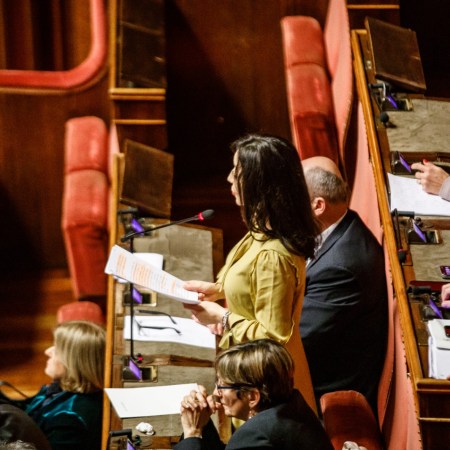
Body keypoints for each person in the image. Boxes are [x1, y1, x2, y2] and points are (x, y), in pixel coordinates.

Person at [182, 134, 320, 412]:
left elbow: (273, 337)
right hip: (246, 372)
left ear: (260, 183)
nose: (229, 178)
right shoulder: (262, 227)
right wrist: (218, 289)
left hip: (268, 391)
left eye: (237, 173)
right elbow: (249, 279)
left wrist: (222, 317)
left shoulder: (274, 255)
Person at [300, 156, 388, 416]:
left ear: (318, 205)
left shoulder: (341, 267)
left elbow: (294, 340)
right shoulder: (337, 226)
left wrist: (228, 320)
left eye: (293, 195)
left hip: (323, 393)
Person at [174, 339, 333, 450]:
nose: (216, 392)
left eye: (222, 386)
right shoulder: (294, 405)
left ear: (252, 397)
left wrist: (192, 432)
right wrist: (202, 423)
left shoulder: (255, 436)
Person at [0, 320, 105, 450]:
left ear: (72, 360)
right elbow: (30, 411)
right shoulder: (60, 387)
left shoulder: (69, 418)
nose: (47, 351)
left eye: (56, 349)